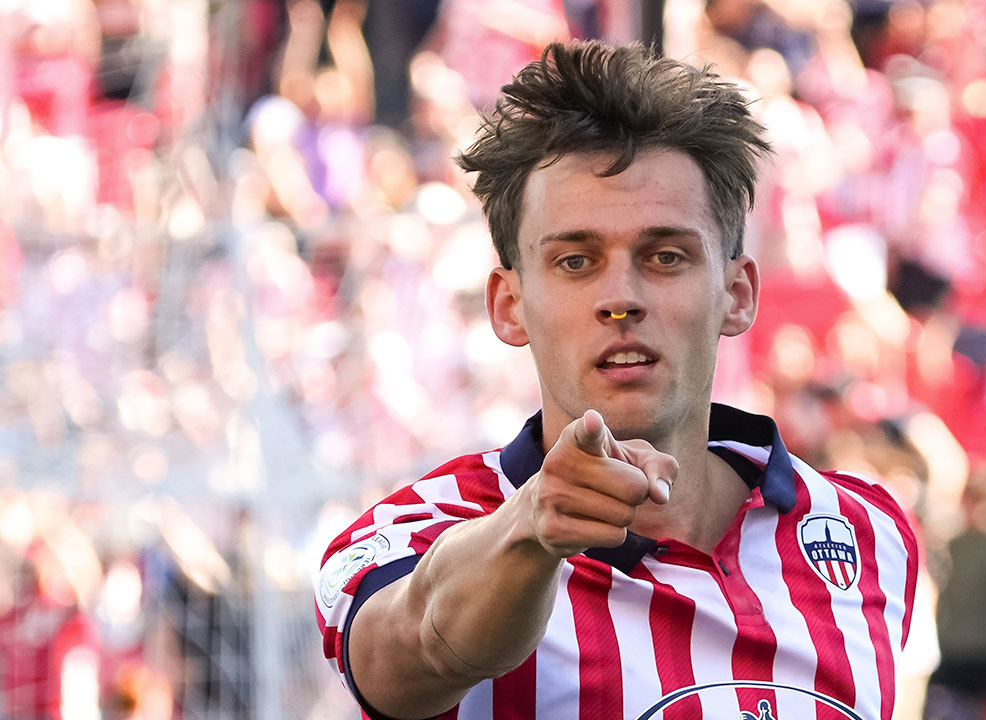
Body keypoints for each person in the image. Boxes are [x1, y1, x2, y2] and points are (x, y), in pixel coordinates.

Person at [313, 40, 919, 720]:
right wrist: (531, 531)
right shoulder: (417, 527)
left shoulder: (868, 533)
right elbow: (414, 652)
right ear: (508, 306)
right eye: (576, 261)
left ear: (737, 293)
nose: (621, 297)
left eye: (665, 256)